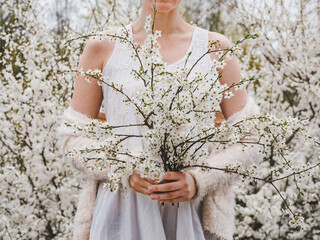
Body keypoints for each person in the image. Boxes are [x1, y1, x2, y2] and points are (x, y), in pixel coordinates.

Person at [58, 0, 261, 239]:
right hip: (121, 214)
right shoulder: (103, 47)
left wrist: (199, 180)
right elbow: (71, 138)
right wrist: (123, 168)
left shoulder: (216, 49)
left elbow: (251, 139)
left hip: (188, 215)